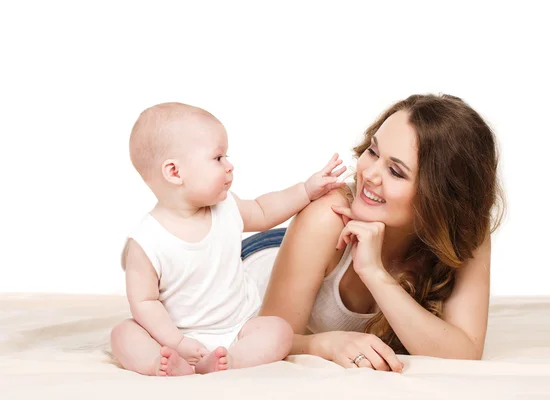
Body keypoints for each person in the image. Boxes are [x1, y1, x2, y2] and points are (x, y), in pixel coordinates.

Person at [247, 94, 504, 372]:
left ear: (441, 198)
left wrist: (374, 272)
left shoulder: (465, 233)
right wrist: (326, 345)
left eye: (395, 171)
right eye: (373, 151)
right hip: (256, 261)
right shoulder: (326, 216)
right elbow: (264, 338)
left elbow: (464, 352)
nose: (369, 174)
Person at [110, 102, 347, 376]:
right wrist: (176, 342)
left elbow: (263, 209)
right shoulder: (146, 242)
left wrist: (306, 190)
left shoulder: (225, 208)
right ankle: (160, 364)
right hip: (172, 337)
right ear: (175, 172)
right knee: (124, 334)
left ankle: (230, 360)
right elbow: (144, 303)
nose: (230, 166)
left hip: (237, 329)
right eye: (218, 158)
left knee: (279, 331)